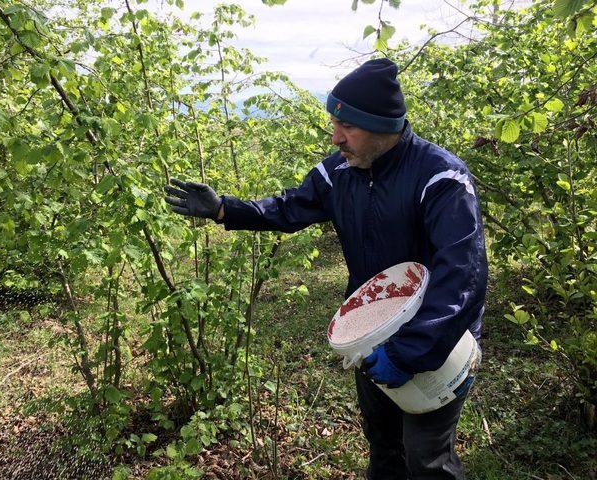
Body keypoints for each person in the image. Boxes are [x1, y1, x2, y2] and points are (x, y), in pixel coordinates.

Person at [164, 58, 488, 480]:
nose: (336, 137)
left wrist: (410, 351)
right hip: (370, 335)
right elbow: (288, 208)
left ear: (383, 127)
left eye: (348, 127)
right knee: (384, 446)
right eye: (334, 124)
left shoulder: (440, 178)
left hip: (436, 341)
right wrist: (227, 209)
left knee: (427, 458)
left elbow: (462, 276)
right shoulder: (340, 173)